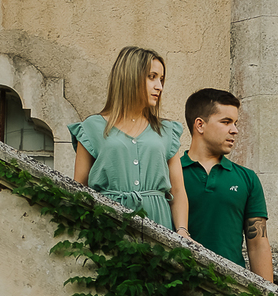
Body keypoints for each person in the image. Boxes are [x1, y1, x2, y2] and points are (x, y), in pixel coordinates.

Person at [69, 46, 189, 235]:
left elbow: (178, 190)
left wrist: (182, 230)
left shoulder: (167, 130)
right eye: (152, 77)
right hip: (107, 223)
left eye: (162, 79)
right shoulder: (92, 127)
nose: (159, 86)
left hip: (159, 222)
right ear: (130, 77)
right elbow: (80, 188)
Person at [181, 89, 273, 281]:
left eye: (235, 123)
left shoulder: (247, 179)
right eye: (226, 122)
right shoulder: (171, 174)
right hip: (179, 287)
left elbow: (258, 245)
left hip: (232, 293)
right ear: (200, 125)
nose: (235, 130)